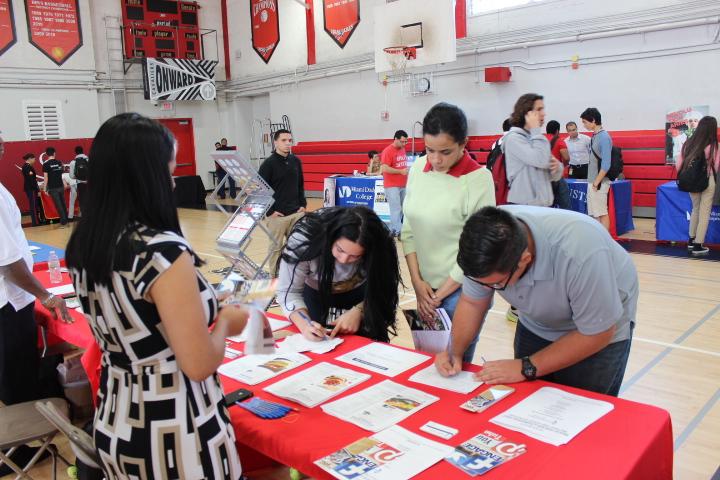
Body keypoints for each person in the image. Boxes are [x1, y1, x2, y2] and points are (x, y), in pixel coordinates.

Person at [65, 113, 246, 478]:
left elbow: (141, 319)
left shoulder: (86, 241)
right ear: (148, 176)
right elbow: (197, 363)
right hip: (176, 426)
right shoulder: (159, 251)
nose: (174, 180)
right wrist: (225, 321)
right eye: (169, 169)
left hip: (118, 414)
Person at [435, 206, 638, 397]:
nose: (485, 289)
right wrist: (454, 351)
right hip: (537, 322)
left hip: (597, 330)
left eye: (496, 285)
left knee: (582, 409)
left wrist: (526, 367)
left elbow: (598, 333)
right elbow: (472, 303)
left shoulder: (581, 252)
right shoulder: (486, 242)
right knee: (527, 403)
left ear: (524, 259)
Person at [402, 103, 495, 362]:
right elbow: (409, 229)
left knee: (453, 364)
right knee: (427, 363)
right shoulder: (418, 168)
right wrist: (418, 284)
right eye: (429, 150)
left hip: (463, 290)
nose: (436, 159)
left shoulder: (479, 179)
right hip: (426, 288)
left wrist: (438, 295)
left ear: (464, 143)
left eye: (445, 152)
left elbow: (477, 250)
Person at [0, 131, 71, 469]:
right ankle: (23, 447)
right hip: (7, 303)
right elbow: (8, 262)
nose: (2, 146)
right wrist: (45, 294)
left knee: (13, 371)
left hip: (9, 299)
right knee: (15, 372)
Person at [276, 206, 400, 342]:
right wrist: (306, 325)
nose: (343, 260)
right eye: (339, 250)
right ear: (331, 237)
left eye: (355, 256)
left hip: (363, 295)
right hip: (316, 295)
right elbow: (289, 292)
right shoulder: (304, 240)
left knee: (370, 343)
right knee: (318, 337)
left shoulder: (380, 245)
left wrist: (361, 310)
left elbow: (385, 288)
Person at [259, 129, 307, 275]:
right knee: (275, 249)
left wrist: (302, 205)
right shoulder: (268, 164)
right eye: (283, 140)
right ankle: (275, 280)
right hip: (277, 217)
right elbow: (261, 189)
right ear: (275, 142)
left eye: (289, 140)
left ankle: (295, 278)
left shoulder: (295, 161)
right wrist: (269, 211)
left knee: (299, 248)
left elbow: (300, 184)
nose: (287, 144)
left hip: (296, 214)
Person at [503, 94, 563, 207]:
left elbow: (553, 175)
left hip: (542, 206)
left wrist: (557, 167)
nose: (544, 113)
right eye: (539, 109)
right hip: (524, 206)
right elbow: (541, 160)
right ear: (527, 113)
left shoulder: (537, 138)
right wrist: (536, 130)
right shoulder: (514, 138)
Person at [676, 116, 720, 256]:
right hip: (708, 180)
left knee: (695, 209)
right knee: (704, 211)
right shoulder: (714, 145)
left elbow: (679, 165)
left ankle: (691, 240)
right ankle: (698, 245)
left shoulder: (688, 143)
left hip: (691, 181)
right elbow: (716, 166)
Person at [581, 107, 613, 231]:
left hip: (599, 182)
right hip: (593, 181)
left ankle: (606, 242)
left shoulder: (604, 137)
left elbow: (606, 164)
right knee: (595, 214)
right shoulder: (595, 136)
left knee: (602, 213)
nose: (584, 125)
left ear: (593, 120)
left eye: (585, 122)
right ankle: (599, 240)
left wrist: (596, 182)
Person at [380, 130, 409, 236]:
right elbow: (384, 168)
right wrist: (400, 171)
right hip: (392, 185)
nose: (404, 144)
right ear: (395, 139)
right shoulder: (387, 151)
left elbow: (401, 165)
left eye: (406, 142)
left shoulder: (403, 149)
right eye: (402, 141)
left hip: (403, 184)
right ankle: (397, 230)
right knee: (395, 208)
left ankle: (398, 227)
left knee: (403, 208)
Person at [545, 120, 571, 210]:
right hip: (557, 177)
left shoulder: (541, 141)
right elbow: (566, 157)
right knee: (565, 204)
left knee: (547, 206)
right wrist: (563, 166)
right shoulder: (559, 141)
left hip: (544, 177)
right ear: (557, 131)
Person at [41, 147, 69, 226]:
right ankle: (66, 220)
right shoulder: (59, 162)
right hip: (60, 186)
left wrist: (44, 188)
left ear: (46, 154)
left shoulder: (46, 164)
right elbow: (61, 174)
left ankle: (63, 222)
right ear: (54, 153)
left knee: (58, 205)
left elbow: (46, 178)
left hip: (53, 188)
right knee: (63, 203)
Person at [21, 153, 40, 226]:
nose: (35, 160)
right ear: (29, 159)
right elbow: (32, 180)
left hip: (31, 188)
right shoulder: (27, 167)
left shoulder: (28, 166)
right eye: (34, 158)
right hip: (31, 188)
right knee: (33, 205)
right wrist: (37, 190)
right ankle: (35, 222)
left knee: (34, 204)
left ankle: (36, 221)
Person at [70, 146, 88, 216]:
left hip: (80, 184)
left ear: (75, 152)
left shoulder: (73, 162)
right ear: (83, 151)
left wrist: (78, 177)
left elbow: (71, 176)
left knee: (82, 200)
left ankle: (85, 216)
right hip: (90, 183)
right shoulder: (88, 159)